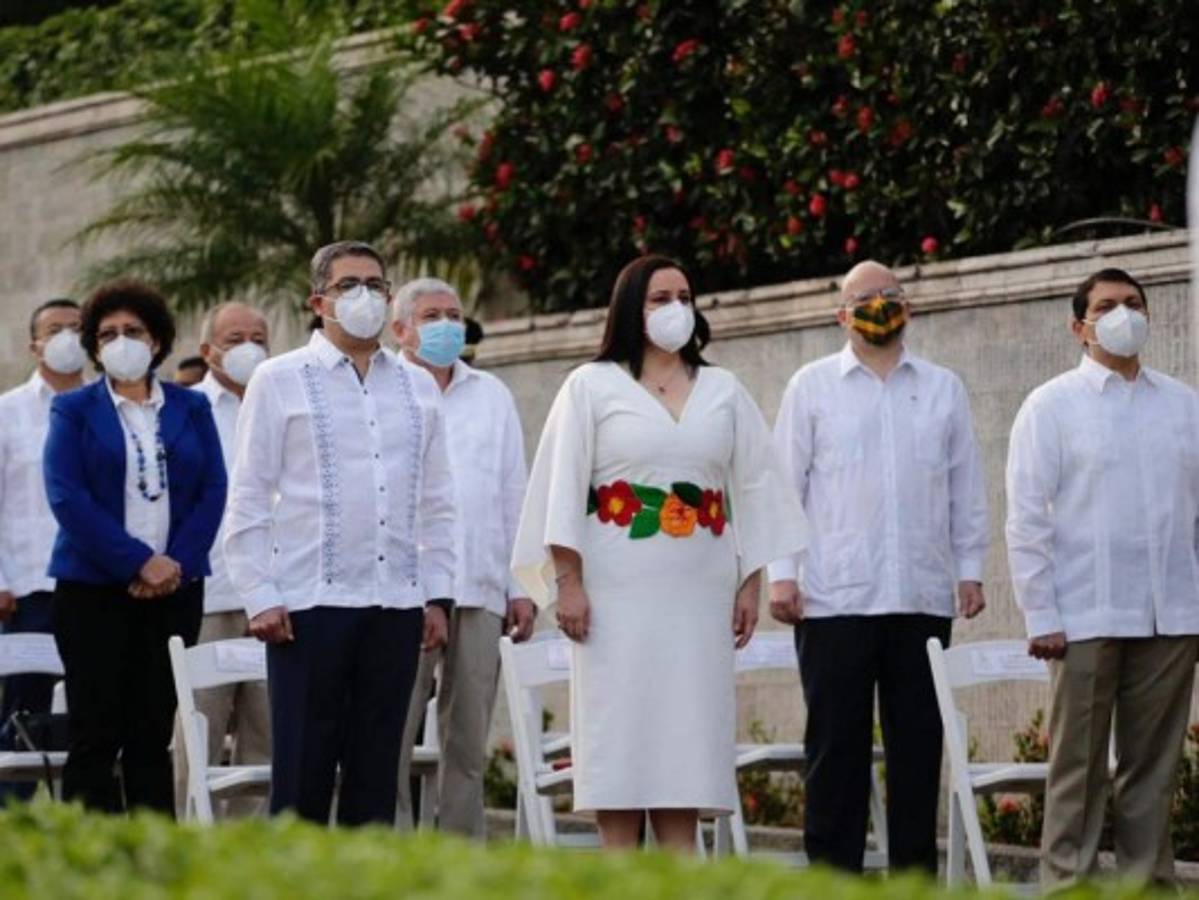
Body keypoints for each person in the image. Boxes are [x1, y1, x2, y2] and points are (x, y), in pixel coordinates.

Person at [512, 254, 806, 852]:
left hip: (700, 600)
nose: (676, 308)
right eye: (660, 298)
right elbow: (561, 487)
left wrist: (750, 581)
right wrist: (568, 582)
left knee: (686, 749)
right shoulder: (590, 385)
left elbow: (755, 487)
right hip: (613, 599)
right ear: (631, 307)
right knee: (619, 748)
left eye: (684, 297)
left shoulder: (724, 389)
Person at [224, 241, 457, 826]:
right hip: (308, 605)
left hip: (395, 604)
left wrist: (437, 593)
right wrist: (259, 593)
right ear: (318, 301)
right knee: (302, 774)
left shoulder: (417, 385)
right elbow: (249, 492)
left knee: (376, 777)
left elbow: (438, 501)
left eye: (375, 285)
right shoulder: (278, 379)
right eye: (348, 285)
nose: (364, 297)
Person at [767, 260, 988, 875]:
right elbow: (783, 488)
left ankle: (912, 883)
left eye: (891, 294)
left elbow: (965, 487)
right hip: (833, 600)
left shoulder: (943, 389)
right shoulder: (811, 387)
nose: (879, 304)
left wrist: (970, 569)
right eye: (865, 297)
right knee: (835, 753)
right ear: (842, 315)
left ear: (909, 307)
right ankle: (832, 882)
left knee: (918, 753)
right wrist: (781, 574)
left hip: (921, 598)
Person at [1006, 268, 1199, 889]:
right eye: (1108, 305)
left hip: (1171, 616)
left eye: (1134, 303)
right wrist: (1041, 614)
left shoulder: (1184, 405)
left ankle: (1149, 888)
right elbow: (1027, 519)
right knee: (1078, 770)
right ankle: (1069, 887)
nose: (1124, 315)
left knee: (1154, 772)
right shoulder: (1051, 406)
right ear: (1079, 326)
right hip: (1084, 615)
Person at [43, 280, 226, 815]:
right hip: (92, 591)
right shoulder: (74, 409)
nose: (121, 341)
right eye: (108, 334)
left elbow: (213, 489)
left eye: (133, 331)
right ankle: (88, 852)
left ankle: (153, 850)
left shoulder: (191, 406)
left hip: (175, 591)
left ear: (157, 340)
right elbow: (67, 495)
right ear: (94, 347)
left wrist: (175, 565)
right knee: (94, 732)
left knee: (151, 732)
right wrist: (138, 562)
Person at [392, 278, 534, 838]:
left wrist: (525, 588)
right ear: (400, 329)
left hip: (481, 586)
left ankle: (461, 852)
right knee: (391, 732)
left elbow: (517, 495)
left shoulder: (492, 394)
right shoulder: (383, 389)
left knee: (468, 739)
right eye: (431, 316)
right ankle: (391, 848)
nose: (446, 325)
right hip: (404, 591)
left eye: (453, 315)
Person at [171, 301, 271, 818]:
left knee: (268, 735)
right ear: (208, 350)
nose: (249, 349)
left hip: (276, 596)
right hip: (208, 594)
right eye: (235, 340)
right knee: (197, 731)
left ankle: (251, 848)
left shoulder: (283, 401)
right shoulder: (186, 411)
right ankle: (191, 837)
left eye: (258, 338)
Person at [0, 298, 86, 801]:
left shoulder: (106, 406)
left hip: (98, 583)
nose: (67, 337)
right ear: (34, 345)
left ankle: (92, 812)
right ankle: (14, 816)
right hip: (30, 584)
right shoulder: (8, 411)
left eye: (77, 327)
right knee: (24, 711)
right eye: (56, 329)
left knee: (94, 704)